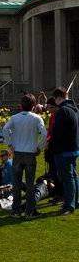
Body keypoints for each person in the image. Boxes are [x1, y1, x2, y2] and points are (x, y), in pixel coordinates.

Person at [2, 94, 48, 218]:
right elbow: (44, 134)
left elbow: (5, 129)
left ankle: (16, 211)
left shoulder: (14, 118)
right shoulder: (36, 118)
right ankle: (30, 211)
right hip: (30, 153)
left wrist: (10, 144)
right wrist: (39, 147)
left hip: (17, 153)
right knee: (29, 184)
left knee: (16, 184)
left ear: (21, 105)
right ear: (33, 106)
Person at [46, 87, 79, 216]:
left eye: (54, 99)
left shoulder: (63, 111)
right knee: (73, 176)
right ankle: (75, 201)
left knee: (67, 177)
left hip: (64, 149)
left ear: (58, 98)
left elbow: (56, 133)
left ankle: (69, 205)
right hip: (73, 148)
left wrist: (51, 148)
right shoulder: (75, 109)